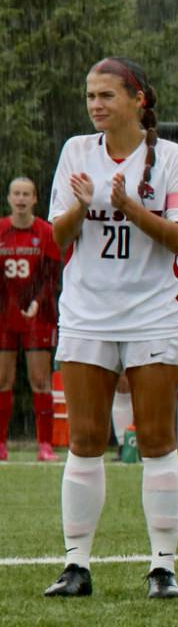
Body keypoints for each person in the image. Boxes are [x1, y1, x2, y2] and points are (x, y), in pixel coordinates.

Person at [43, 58, 178, 599]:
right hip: (87, 310)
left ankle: (162, 567)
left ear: (137, 100)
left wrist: (129, 205)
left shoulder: (174, 159)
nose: (96, 105)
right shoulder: (75, 152)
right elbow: (56, 238)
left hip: (152, 310)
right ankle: (76, 565)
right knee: (86, 440)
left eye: (107, 95)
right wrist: (83, 208)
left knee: (156, 439)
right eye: (90, 96)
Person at [2, 176, 62, 462]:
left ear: (36, 198)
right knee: (3, 380)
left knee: (41, 380)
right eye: (17, 193)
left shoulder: (46, 232)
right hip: (4, 316)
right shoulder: (1, 230)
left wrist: (38, 302)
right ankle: (1, 444)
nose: (21, 198)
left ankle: (45, 445)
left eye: (27, 193)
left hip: (39, 316)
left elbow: (52, 275)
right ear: (9, 198)